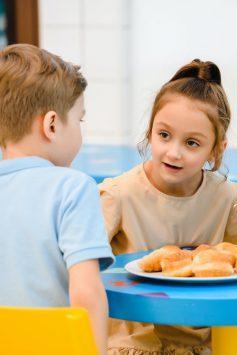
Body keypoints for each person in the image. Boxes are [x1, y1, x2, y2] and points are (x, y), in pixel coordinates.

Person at [99, 59, 237, 355]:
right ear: (150, 132)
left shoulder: (228, 200)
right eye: (164, 135)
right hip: (133, 345)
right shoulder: (118, 195)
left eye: (191, 143)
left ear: (216, 149)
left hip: (204, 345)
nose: (173, 152)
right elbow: (81, 271)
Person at [0, 44, 115, 355]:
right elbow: (86, 292)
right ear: (51, 125)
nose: (79, 131)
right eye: (79, 121)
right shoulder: (72, 188)